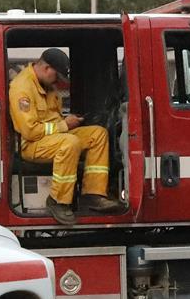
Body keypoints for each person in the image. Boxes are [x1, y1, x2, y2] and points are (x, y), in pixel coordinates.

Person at [8, 48, 122, 225]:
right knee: (70, 142)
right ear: (46, 68)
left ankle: (93, 195)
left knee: (98, 134)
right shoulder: (22, 88)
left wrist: (68, 122)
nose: (58, 81)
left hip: (55, 136)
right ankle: (58, 201)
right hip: (32, 145)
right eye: (57, 76)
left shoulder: (47, 85)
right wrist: (64, 125)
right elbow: (30, 132)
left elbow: (53, 118)